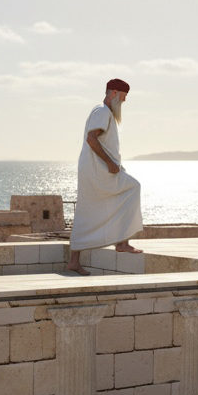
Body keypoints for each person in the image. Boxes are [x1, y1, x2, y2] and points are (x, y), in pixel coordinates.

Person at [67, 78, 143, 275]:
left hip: (93, 170)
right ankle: (122, 242)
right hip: (99, 170)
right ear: (114, 93)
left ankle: (74, 261)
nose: (125, 101)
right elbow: (91, 139)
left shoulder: (102, 111)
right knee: (133, 188)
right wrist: (109, 163)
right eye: (124, 96)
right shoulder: (102, 112)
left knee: (86, 210)